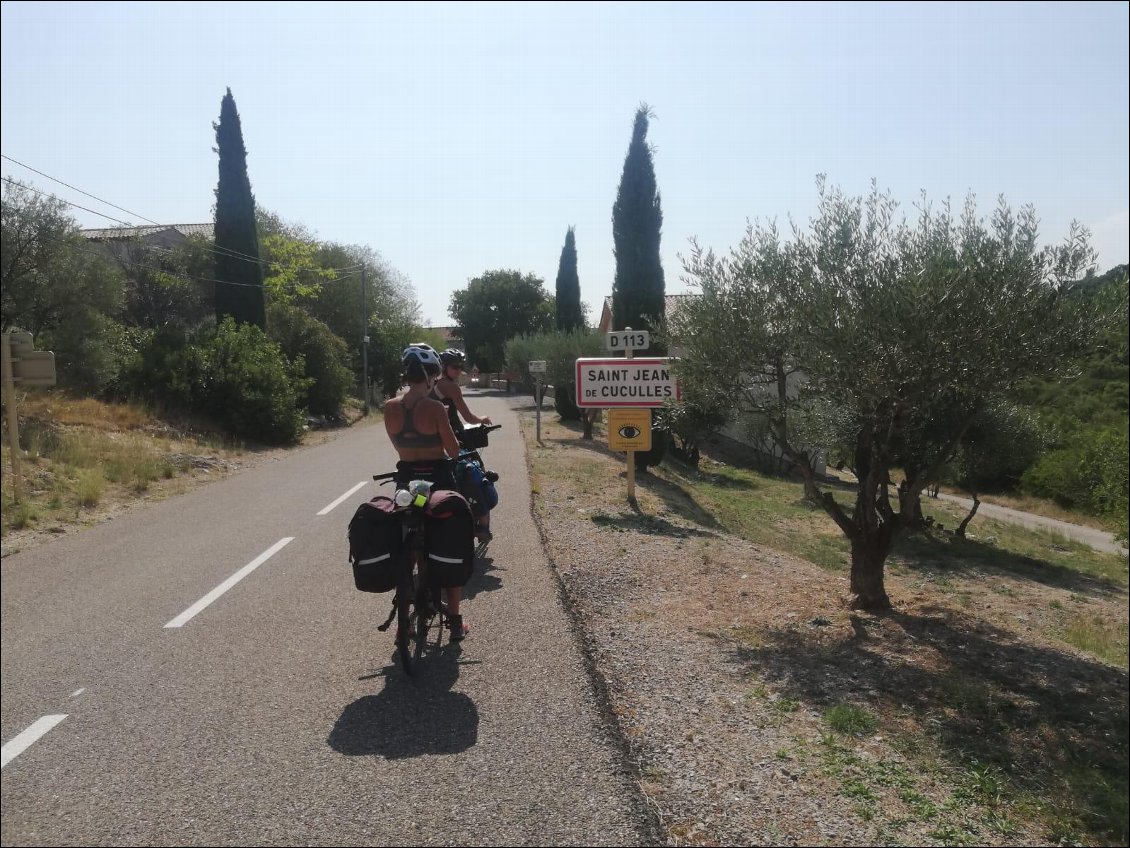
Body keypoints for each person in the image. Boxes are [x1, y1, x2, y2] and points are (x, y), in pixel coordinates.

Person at [383, 343, 470, 641]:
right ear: (432, 374)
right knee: (450, 542)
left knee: (406, 548)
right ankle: (456, 621)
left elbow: (399, 447)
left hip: (407, 481)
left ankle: (402, 625)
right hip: (438, 479)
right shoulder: (434, 407)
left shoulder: (390, 407)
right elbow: (453, 450)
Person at [432, 348, 494, 543]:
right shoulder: (450, 387)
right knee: (477, 472)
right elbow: (467, 416)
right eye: (454, 367)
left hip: (435, 438)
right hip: (454, 435)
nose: (458, 370)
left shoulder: (433, 385)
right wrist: (482, 419)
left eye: (460, 367)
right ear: (444, 367)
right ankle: (483, 526)